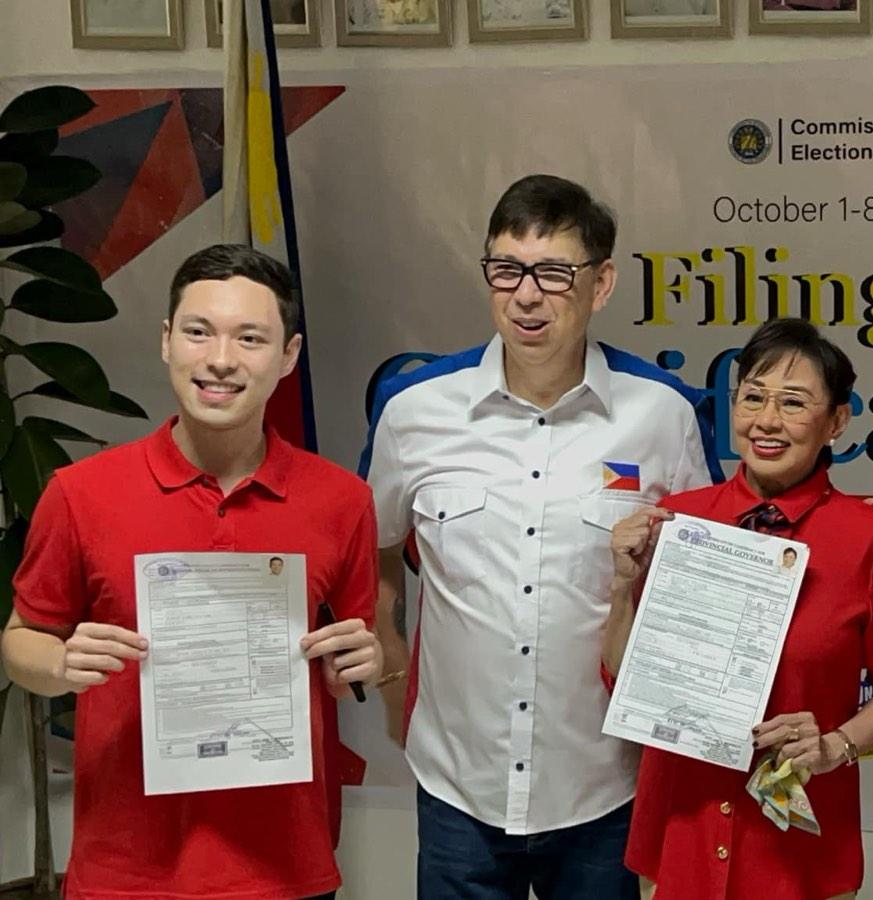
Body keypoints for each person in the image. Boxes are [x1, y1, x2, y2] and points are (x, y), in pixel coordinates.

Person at [359, 175, 721, 899]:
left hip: (604, 784)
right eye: (507, 270)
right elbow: (373, 551)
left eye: (554, 272)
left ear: (602, 282)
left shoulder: (663, 415)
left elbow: (702, 584)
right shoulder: (414, 410)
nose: (527, 295)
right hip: (458, 782)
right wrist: (395, 672)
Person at [0, 244, 381, 900]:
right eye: (199, 332)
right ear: (168, 341)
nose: (221, 359)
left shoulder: (342, 501)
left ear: (288, 356)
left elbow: (355, 674)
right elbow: (19, 641)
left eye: (250, 338)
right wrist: (60, 663)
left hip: (285, 869)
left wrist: (366, 666)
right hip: (127, 872)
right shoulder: (80, 493)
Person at [603, 317, 873, 900]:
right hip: (682, 837)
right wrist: (624, 586)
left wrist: (834, 745)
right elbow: (624, 677)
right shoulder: (678, 520)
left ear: (837, 422)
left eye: (794, 403)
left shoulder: (868, 537)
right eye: (753, 397)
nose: (767, 421)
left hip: (798, 855)